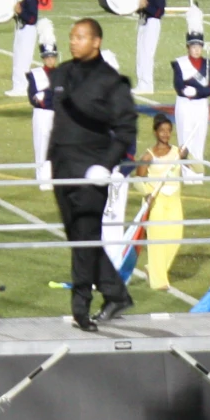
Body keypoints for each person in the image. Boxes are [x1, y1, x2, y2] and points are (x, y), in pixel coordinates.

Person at [49, 16, 138, 330]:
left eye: (81, 37)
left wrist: (106, 164)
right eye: (72, 36)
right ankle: (116, 293)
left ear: (96, 41)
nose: (74, 42)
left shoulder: (111, 81)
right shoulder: (61, 73)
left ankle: (81, 311)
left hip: (91, 173)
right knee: (79, 239)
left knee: (86, 240)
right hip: (62, 168)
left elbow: (126, 130)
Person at [138, 115, 189, 290]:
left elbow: (200, 168)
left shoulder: (178, 152)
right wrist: (146, 193)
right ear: (155, 132)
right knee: (157, 240)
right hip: (157, 201)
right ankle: (159, 281)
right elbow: (138, 178)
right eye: (162, 131)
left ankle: (152, 269)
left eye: (168, 131)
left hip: (175, 200)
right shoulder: (148, 155)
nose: (165, 134)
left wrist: (187, 157)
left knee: (176, 238)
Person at [25, 21, 61, 190]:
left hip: (58, 113)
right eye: (47, 57)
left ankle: (54, 175)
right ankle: (42, 178)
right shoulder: (35, 75)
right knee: (41, 145)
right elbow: (33, 98)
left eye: (52, 56)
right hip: (42, 114)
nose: (50, 59)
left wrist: (46, 95)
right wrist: (47, 97)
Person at [7, 0, 42, 96]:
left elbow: (33, 18)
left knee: (23, 59)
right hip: (21, 29)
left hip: (28, 30)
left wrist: (21, 12)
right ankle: (17, 85)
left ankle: (22, 87)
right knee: (17, 58)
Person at [134, 0, 166, 95]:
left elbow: (159, 12)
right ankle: (141, 83)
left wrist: (146, 5)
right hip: (144, 21)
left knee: (147, 54)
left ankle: (147, 85)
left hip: (152, 23)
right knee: (140, 54)